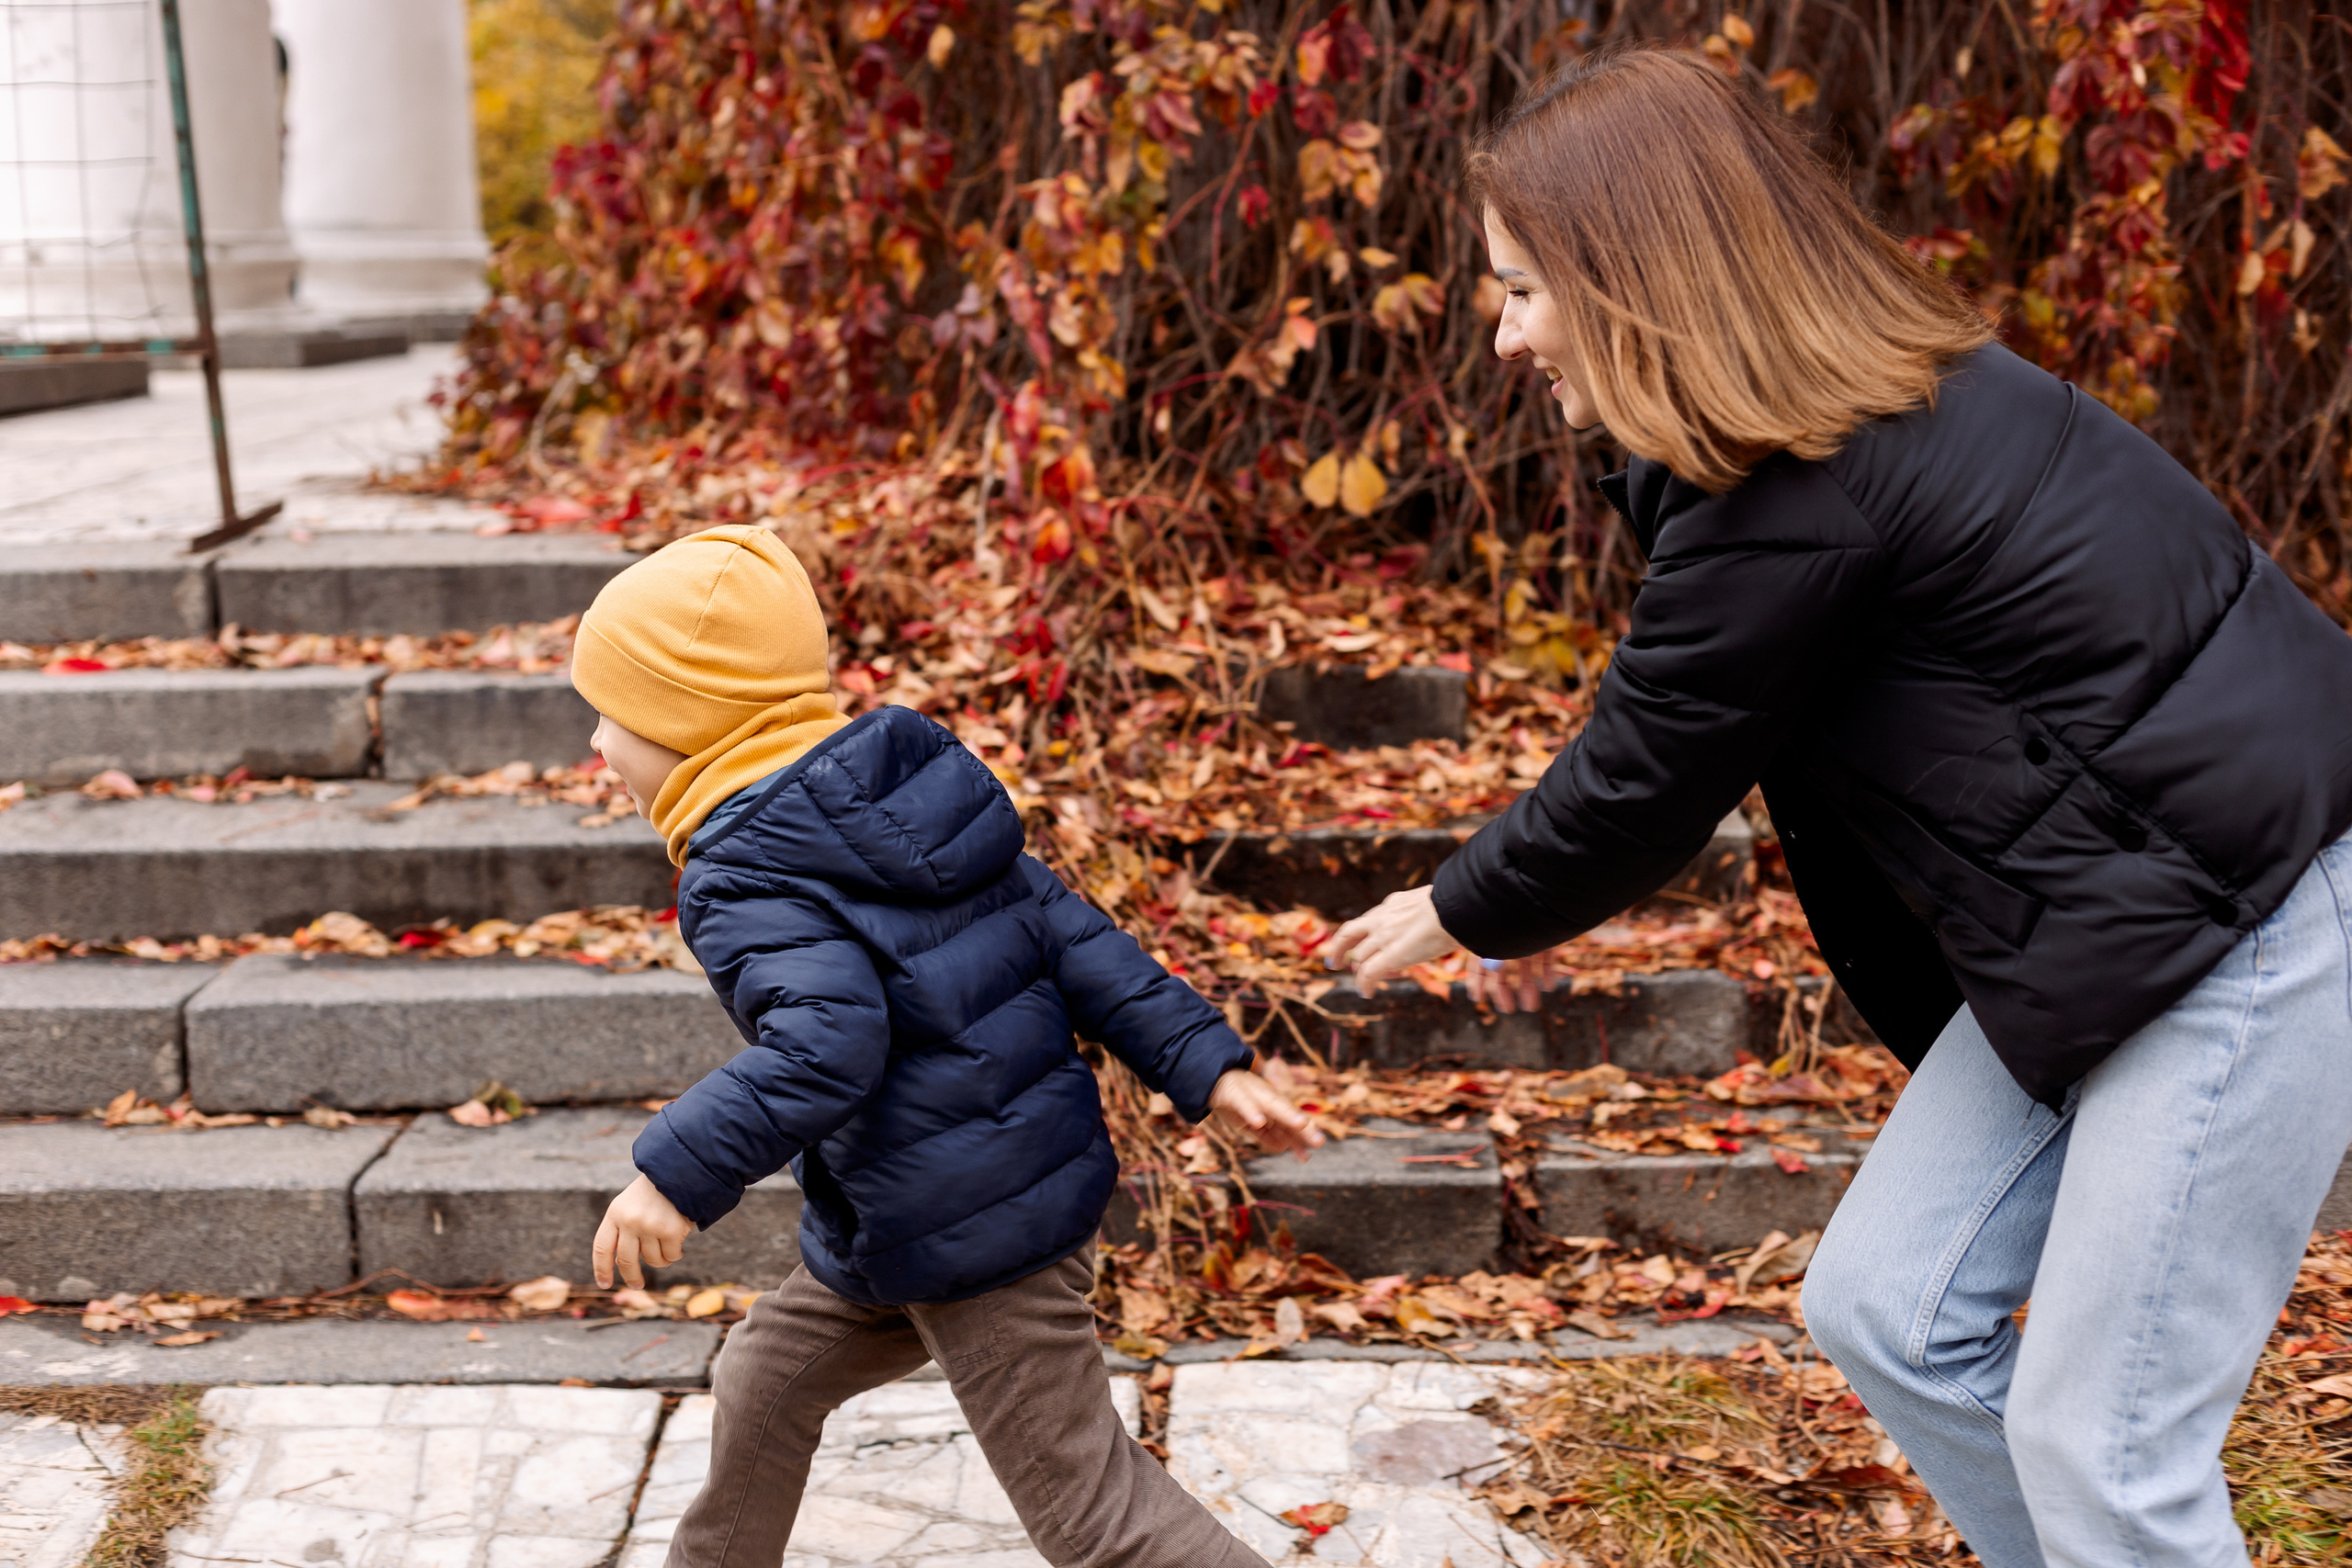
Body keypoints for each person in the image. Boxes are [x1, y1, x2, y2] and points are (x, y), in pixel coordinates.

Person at [1327, 45, 2352, 1568]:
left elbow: (1644, 768)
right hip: (2114, 923)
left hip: (2246, 918)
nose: (1506, 333)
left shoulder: (1798, 492)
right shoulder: (1839, 432)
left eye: (1525, 290)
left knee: (2108, 1444)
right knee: (1892, 1307)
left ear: (1635, 279)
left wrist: (1459, 907)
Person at [574, 524, 1311, 1568]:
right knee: (764, 1379)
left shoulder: (747, 872)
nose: (597, 743)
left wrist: (674, 1176)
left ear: (690, 724)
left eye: (612, 713)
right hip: (917, 1209)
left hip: (975, 1234)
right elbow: (1070, 933)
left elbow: (828, 1045)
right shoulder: (902, 801)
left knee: (1093, 1518)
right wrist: (1207, 1061)